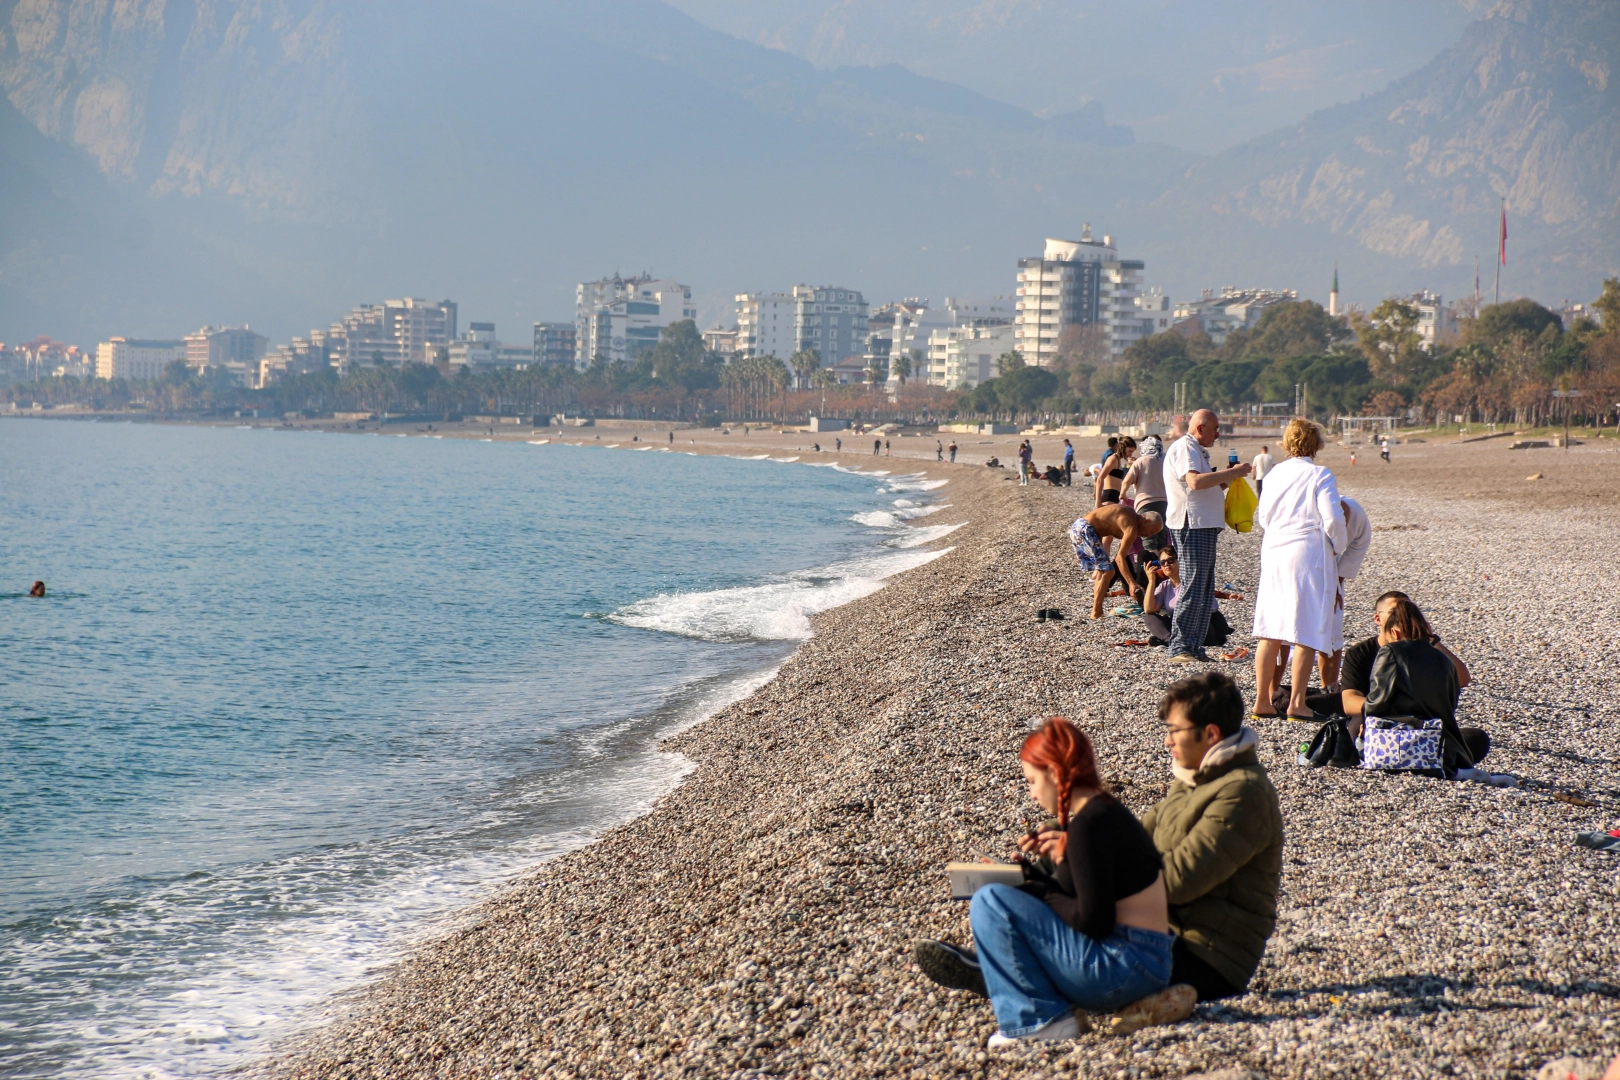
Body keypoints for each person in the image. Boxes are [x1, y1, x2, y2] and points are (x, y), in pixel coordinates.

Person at [914, 718, 1189, 1045]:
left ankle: (1036, 1021)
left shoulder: (1089, 826)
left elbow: (1093, 921)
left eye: (1032, 780)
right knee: (1006, 897)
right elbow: (1086, 895)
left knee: (990, 900)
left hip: (1123, 968)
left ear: (1056, 774)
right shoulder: (1107, 814)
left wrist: (1037, 891)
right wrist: (1031, 878)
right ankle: (1036, 1001)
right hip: (1150, 962)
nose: (1031, 791)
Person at [1141, 672, 1283, 1002]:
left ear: (1210, 734)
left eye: (1174, 731)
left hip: (1207, 958)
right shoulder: (1192, 778)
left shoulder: (1245, 792)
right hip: (1164, 933)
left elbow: (1177, 882)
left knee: (1057, 933)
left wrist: (1101, 876)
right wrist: (1071, 846)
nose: (1167, 742)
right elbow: (1132, 841)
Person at [1251, 419, 1346, 719]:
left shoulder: (1275, 473)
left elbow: (1263, 516)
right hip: (1307, 550)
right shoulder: (1320, 474)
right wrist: (1338, 546)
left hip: (1275, 548)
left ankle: (1261, 701)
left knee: (1271, 629)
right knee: (1306, 629)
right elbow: (1331, 518)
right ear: (1316, 445)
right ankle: (1296, 703)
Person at [1353, 597, 1487, 771]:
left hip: (1398, 744)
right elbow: (1450, 706)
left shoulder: (1391, 651)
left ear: (1394, 632)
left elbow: (1378, 701)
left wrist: (1365, 723)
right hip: (1440, 746)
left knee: (1345, 733)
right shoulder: (1445, 660)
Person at [1163, 410, 1251, 664]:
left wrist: (1229, 477)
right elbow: (1194, 482)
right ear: (1201, 428)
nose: (1218, 433)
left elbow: (1204, 486)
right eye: (1215, 428)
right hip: (1192, 525)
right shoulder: (1185, 447)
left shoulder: (1196, 450)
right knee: (1193, 587)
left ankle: (1193, 646)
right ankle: (1180, 647)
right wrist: (1230, 474)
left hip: (1202, 525)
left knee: (1202, 589)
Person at [1069, 505, 1162, 618]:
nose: (1148, 536)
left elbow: (1119, 557)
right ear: (1146, 521)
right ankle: (1096, 612)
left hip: (1079, 527)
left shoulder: (1130, 518)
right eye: (1151, 532)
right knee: (1108, 572)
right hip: (1085, 529)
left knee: (1103, 571)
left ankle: (1097, 611)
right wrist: (1131, 583)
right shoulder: (1132, 526)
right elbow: (1119, 558)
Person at [1317, 496, 1371, 687]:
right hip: (1302, 561)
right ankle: (1271, 694)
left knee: (1332, 633)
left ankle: (1329, 689)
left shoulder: (1358, 516)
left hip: (1331, 565)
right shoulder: (1311, 512)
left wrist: (1336, 584)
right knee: (1282, 637)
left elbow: (1357, 548)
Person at [1141, 551, 1240, 650]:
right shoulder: (1164, 586)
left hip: (1204, 626)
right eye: (1162, 562)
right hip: (1179, 627)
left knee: (1191, 616)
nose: (1166, 564)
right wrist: (1151, 581)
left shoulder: (1194, 581)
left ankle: (1177, 642)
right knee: (1150, 617)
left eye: (1171, 560)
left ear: (1182, 561)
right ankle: (1172, 641)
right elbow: (1149, 609)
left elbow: (1210, 609)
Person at [1122, 436, 1167, 520]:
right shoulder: (1165, 462)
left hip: (1145, 504)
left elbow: (1127, 480)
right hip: (1164, 504)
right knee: (1161, 531)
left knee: (1146, 531)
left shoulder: (1140, 461)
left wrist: (1122, 494)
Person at [1095, 437, 1136, 505]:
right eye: (1129, 451)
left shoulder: (1117, 460)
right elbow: (1100, 478)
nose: (1130, 454)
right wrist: (1098, 501)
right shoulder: (1113, 459)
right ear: (1123, 448)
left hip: (1115, 498)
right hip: (1109, 497)